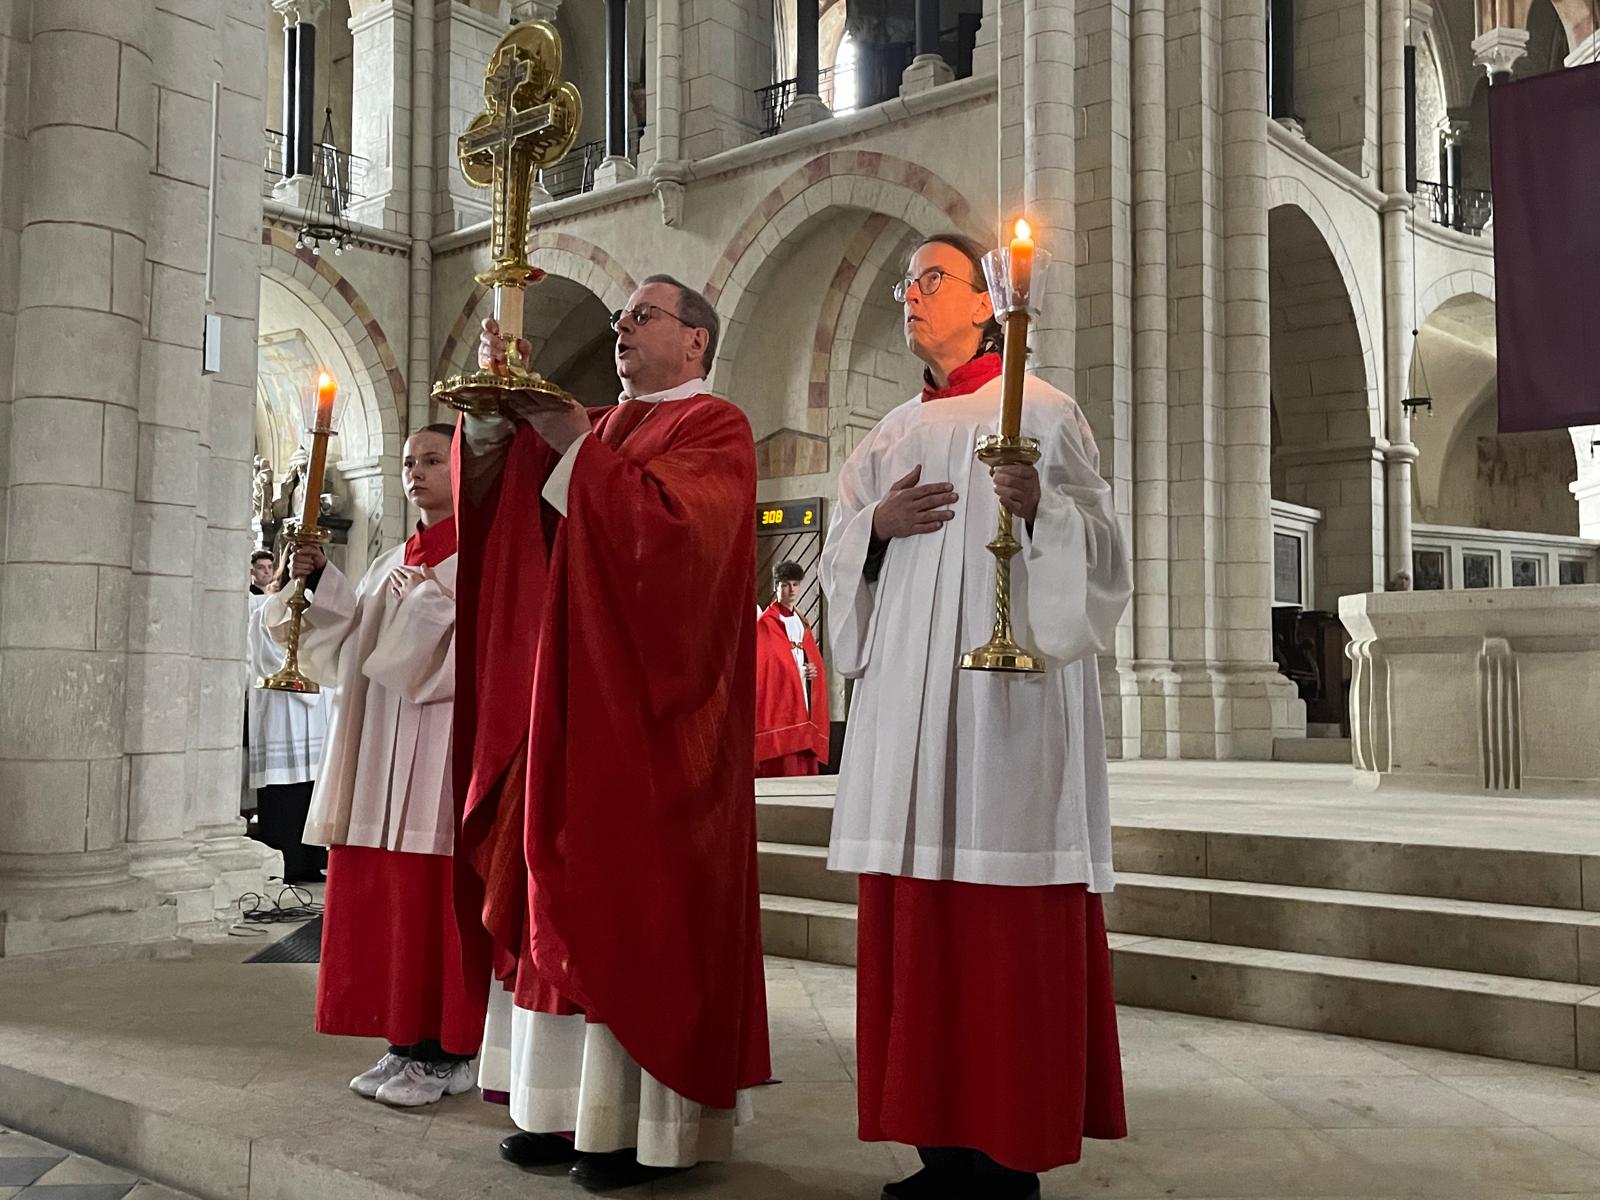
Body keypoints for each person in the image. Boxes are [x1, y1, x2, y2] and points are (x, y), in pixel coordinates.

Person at [820, 233, 1133, 1200]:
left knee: (1003, 929)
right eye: (905, 283)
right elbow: (836, 556)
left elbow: (1107, 556)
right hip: (908, 720)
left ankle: (1007, 1159)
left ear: (986, 302)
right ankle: (939, 1152)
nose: (910, 295)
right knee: (919, 927)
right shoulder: (888, 434)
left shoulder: (1045, 410)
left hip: (1009, 711)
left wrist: (1044, 510)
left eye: (931, 279)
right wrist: (874, 531)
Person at [455, 275, 770, 1193]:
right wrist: (495, 415)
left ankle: (638, 1133)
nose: (621, 329)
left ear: (696, 340)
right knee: (555, 892)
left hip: (654, 732)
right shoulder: (602, 424)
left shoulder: (715, 427)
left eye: (641, 316)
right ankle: (558, 1110)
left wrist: (570, 442)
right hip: (569, 707)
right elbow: (512, 514)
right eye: (618, 319)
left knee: (633, 911)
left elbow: (676, 546)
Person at [266, 424, 480, 1108]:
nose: (416, 472)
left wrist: (428, 603)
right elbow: (347, 648)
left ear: (465, 467)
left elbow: (463, 656)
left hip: (439, 752)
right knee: (385, 896)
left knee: (433, 899)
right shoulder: (390, 560)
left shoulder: (482, 555)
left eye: (433, 460)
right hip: (377, 747)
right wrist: (317, 582)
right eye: (409, 461)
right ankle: (403, 1039)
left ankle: (449, 1051)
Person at [245, 547, 329, 883]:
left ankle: (311, 860)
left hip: (317, 711)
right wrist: (311, 674)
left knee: (311, 787)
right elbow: (266, 658)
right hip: (283, 711)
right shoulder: (268, 608)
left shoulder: (323, 608)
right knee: (284, 788)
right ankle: (287, 861)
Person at [754, 559, 830, 777]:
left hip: (803, 690)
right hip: (780, 694)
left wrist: (811, 670)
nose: (791, 590)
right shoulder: (766, 623)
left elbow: (808, 654)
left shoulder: (801, 620)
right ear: (776, 586)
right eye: (786, 585)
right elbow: (766, 662)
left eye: (795, 585)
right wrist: (789, 672)